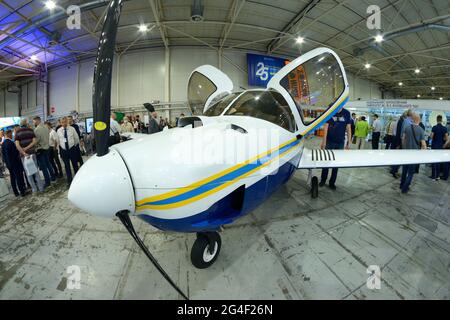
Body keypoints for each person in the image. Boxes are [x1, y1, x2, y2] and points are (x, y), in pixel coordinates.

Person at [319, 107, 352, 190]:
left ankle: (332, 182)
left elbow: (348, 128)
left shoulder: (347, 113)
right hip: (330, 142)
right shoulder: (331, 111)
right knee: (326, 162)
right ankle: (323, 180)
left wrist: (349, 142)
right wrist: (324, 142)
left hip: (340, 143)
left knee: (336, 164)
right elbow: (326, 127)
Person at [15, 119, 44, 193]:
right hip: (32, 153)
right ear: (26, 123)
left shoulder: (17, 132)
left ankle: (34, 189)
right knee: (35, 171)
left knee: (28, 173)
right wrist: (28, 148)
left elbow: (17, 144)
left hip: (24, 156)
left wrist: (23, 152)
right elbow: (34, 141)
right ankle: (41, 188)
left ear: (20, 124)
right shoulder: (31, 130)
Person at [400, 113, 426, 194]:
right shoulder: (421, 130)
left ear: (413, 119)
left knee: (404, 170)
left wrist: (404, 148)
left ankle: (401, 185)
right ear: (419, 120)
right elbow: (424, 144)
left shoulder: (407, 128)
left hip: (406, 153)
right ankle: (405, 188)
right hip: (415, 155)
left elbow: (403, 139)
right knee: (411, 172)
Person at [1, 130, 27, 197]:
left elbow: (4, 155)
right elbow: (14, 153)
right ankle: (22, 191)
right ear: (9, 134)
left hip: (9, 164)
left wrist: (7, 163)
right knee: (18, 177)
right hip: (15, 163)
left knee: (12, 178)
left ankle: (16, 192)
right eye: (11, 134)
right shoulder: (10, 143)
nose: (12, 135)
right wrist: (19, 154)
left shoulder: (3, 143)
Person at [33, 116, 56, 188]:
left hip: (41, 149)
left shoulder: (37, 129)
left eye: (34, 121)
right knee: (48, 164)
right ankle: (53, 177)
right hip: (47, 147)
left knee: (43, 167)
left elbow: (36, 140)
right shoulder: (46, 127)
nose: (34, 123)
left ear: (37, 120)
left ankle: (47, 182)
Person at [57, 117, 80, 186]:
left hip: (72, 149)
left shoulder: (72, 129)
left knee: (75, 165)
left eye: (65, 122)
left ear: (67, 121)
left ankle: (77, 180)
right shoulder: (58, 130)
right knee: (67, 167)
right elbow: (58, 140)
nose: (64, 123)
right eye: (62, 122)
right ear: (60, 123)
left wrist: (73, 146)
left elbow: (76, 138)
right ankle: (69, 181)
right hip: (64, 151)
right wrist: (60, 149)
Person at [430, 115, 448, 181]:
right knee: (439, 161)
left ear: (437, 120)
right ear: (441, 120)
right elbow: (446, 138)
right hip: (441, 147)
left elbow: (431, 136)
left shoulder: (434, 127)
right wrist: (442, 141)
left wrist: (433, 137)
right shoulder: (444, 128)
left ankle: (433, 176)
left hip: (434, 146)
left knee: (434, 161)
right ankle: (437, 176)